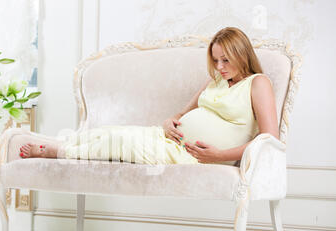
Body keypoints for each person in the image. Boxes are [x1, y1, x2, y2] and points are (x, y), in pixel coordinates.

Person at [19, 27, 279, 166]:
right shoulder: (217, 80)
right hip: (168, 139)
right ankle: (60, 142)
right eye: (215, 60)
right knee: (110, 131)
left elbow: (270, 139)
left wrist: (220, 155)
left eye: (226, 59)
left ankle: (59, 152)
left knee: (121, 142)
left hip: (193, 155)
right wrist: (169, 122)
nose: (220, 66)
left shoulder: (258, 84)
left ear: (242, 54)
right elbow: (181, 114)